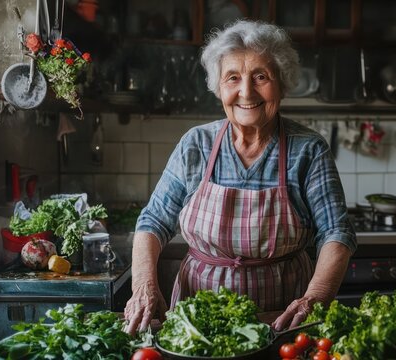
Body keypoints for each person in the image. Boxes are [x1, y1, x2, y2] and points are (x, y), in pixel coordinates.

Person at [123, 20, 355, 335]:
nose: (246, 92)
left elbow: (337, 233)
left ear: (282, 84)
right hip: (198, 318)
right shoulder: (197, 144)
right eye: (233, 78)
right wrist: (145, 286)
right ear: (219, 87)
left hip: (281, 318)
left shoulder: (308, 150)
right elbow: (152, 222)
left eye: (261, 76)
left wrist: (315, 298)